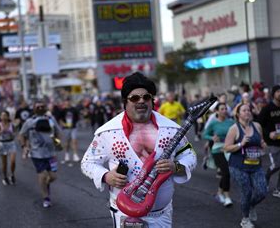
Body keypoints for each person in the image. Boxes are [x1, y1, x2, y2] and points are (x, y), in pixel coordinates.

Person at [81, 72, 197, 227]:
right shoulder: (108, 132)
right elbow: (87, 163)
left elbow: (190, 155)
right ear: (125, 102)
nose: (141, 101)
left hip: (161, 213)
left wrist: (175, 166)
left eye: (146, 97)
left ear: (152, 100)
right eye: (135, 98)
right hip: (125, 211)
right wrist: (106, 176)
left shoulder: (171, 129)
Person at [224, 103, 268, 228]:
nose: (247, 112)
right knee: (247, 192)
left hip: (255, 164)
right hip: (238, 166)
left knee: (262, 191)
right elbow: (226, 148)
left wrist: (263, 145)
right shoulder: (234, 129)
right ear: (238, 114)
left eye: (249, 110)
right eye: (244, 110)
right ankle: (245, 219)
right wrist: (240, 144)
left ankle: (251, 205)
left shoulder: (257, 126)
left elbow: (261, 141)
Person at [19, 100, 60, 208]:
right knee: (43, 175)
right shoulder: (29, 122)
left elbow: (58, 132)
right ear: (34, 108)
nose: (40, 108)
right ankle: (46, 197)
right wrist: (24, 146)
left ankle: (45, 187)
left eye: (42, 106)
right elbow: (21, 134)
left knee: (53, 177)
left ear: (46, 107)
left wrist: (59, 143)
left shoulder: (51, 119)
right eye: (38, 107)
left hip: (51, 153)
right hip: (37, 154)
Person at [203, 103, 234, 207]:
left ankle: (219, 193)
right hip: (217, 149)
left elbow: (237, 133)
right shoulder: (213, 123)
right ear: (217, 111)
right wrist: (212, 138)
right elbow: (205, 134)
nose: (224, 110)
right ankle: (227, 197)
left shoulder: (231, 122)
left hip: (229, 149)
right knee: (226, 172)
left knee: (226, 173)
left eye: (226, 109)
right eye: (222, 109)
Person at [0, 111, 17, 185]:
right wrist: (1, 132)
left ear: (8, 116)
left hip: (11, 143)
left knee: (13, 161)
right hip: (3, 144)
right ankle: (4, 177)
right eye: (2, 115)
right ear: (0, 117)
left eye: (5, 115)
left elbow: (14, 135)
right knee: (4, 163)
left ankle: (12, 175)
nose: (3, 117)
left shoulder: (11, 125)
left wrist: (11, 134)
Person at [57, 99, 80, 165]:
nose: (67, 103)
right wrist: (63, 124)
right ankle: (66, 154)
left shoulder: (74, 109)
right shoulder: (63, 110)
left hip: (73, 127)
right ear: (64, 103)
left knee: (74, 141)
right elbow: (59, 119)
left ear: (70, 102)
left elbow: (77, 117)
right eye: (66, 102)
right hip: (66, 128)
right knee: (67, 142)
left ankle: (75, 155)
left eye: (68, 102)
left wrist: (75, 123)